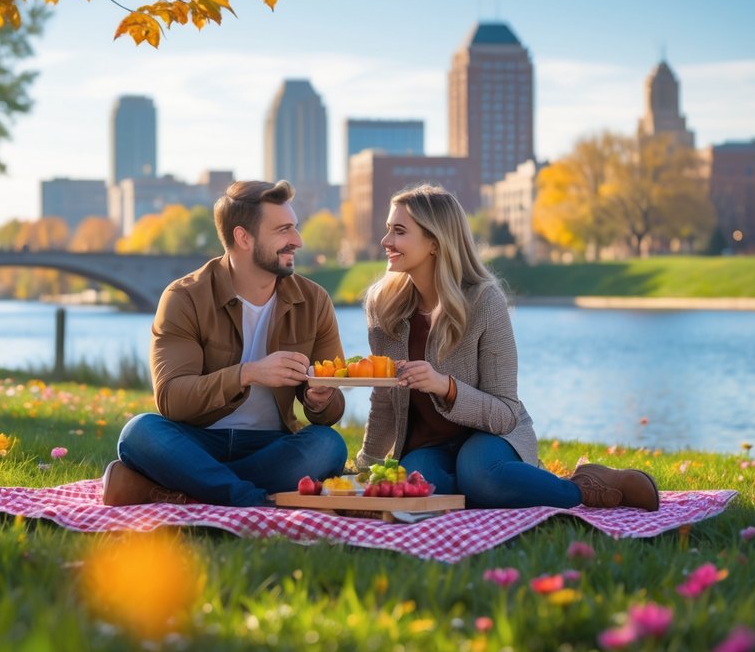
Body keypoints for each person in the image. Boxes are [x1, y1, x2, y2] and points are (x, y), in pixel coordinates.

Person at [355, 184, 659, 512]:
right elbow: (385, 398)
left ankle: (583, 488)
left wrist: (446, 387)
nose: (386, 241)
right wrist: (364, 466)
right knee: (418, 490)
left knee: (479, 475)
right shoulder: (384, 306)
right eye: (388, 230)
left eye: (399, 231)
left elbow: (504, 412)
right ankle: (505, 487)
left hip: (492, 435)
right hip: (427, 447)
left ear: (434, 242)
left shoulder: (484, 301)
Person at [104, 180, 348, 507]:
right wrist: (247, 374)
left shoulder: (314, 301)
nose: (297, 241)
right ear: (243, 237)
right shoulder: (184, 297)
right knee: (140, 432)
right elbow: (172, 400)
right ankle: (251, 499)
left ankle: (187, 489)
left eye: (296, 228)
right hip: (197, 441)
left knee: (327, 445)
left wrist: (320, 399)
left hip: (271, 445)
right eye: (283, 230)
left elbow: (330, 413)